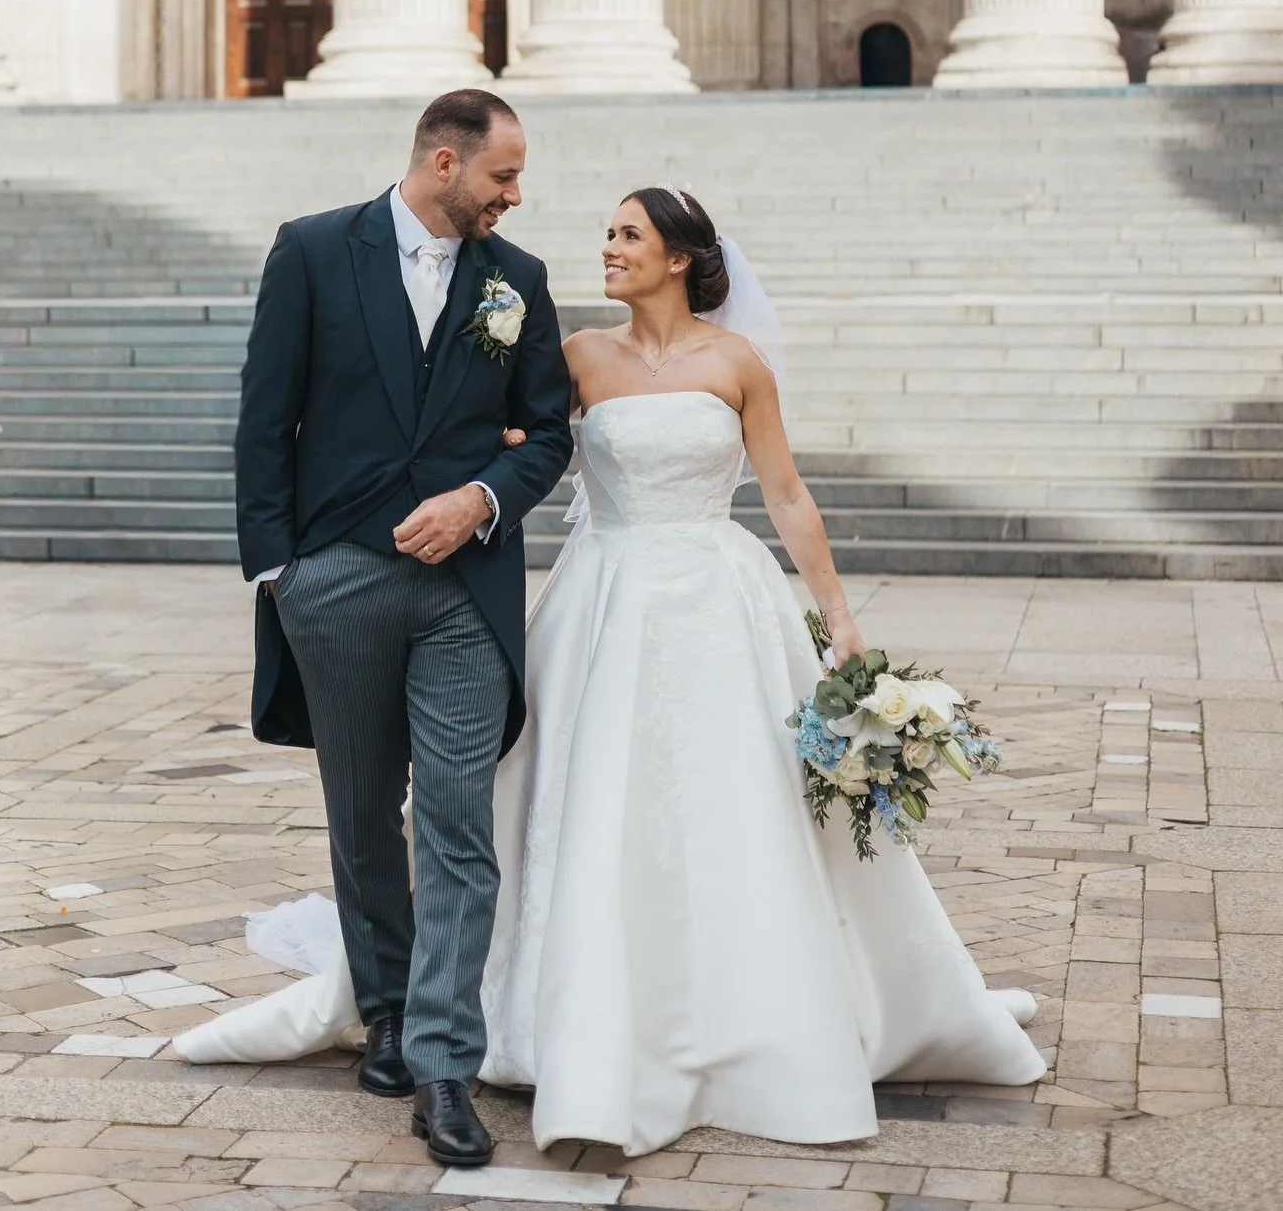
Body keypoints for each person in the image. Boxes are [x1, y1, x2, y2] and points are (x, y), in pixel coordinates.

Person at [187, 182, 1045, 1156]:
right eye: (605, 232)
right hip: (603, 597)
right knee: (567, 800)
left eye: (627, 234)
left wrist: (837, 618)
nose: (608, 246)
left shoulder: (738, 362)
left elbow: (788, 491)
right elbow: (498, 435)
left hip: (721, 599)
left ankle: (756, 1011)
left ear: (678, 256)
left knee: (734, 808)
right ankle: (531, 1005)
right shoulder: (579, 355)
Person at [233, 88, 573, 1167]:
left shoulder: (518, 282)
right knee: (362, 812)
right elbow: (264, 416)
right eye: (501, 176)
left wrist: (482, 496)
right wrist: (281, 572)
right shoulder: (313, 250)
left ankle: (440, 1060)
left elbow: (549, 433)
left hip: (467, 592)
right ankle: (383, 1009)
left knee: (458, 822)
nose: (515, 195)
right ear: (441, 160)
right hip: (337, 582)